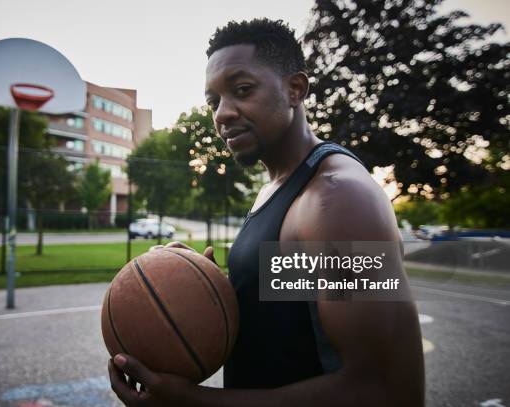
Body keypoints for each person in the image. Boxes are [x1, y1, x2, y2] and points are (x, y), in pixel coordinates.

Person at [108, 18, 425, 406]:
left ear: (295, 89)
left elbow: (387, 388)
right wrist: (208, 284)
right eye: (213, 101)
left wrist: (194, 402)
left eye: (242, 90)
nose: (222, 114)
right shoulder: (280, 190)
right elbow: (301, 303)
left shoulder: (338, 197)